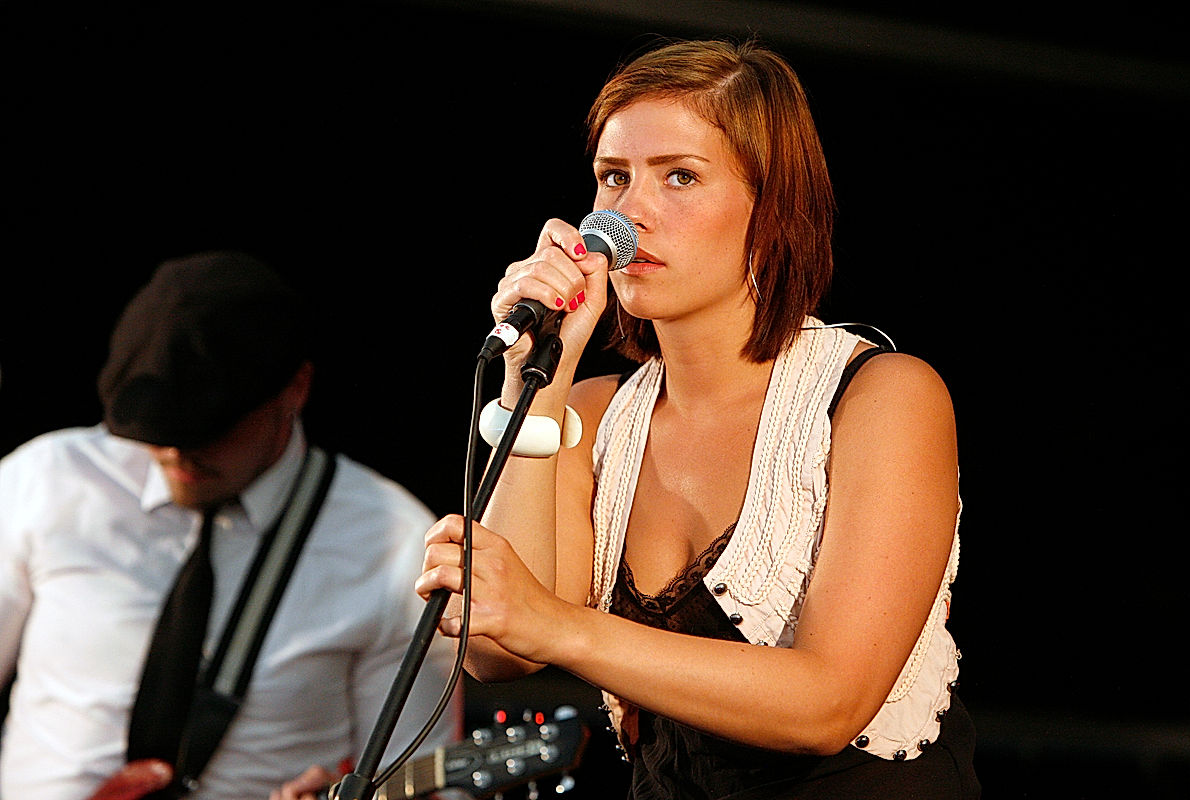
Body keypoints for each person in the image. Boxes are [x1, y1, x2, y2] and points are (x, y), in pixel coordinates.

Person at [417, 38, 980, 799]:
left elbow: (827, 704)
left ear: (772, 211)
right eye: (614, 177)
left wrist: (556, 624)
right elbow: (500, 651)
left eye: (679, 176)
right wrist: (536, 379)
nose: (627, 214)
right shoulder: (591, 413)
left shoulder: (883, 395)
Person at [0, 251, 460, 800]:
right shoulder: (46, 480)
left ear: (296, 389)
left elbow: (428, 781)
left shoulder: (396, 544)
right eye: (154, 427)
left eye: (210, 428)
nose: (176, 450)